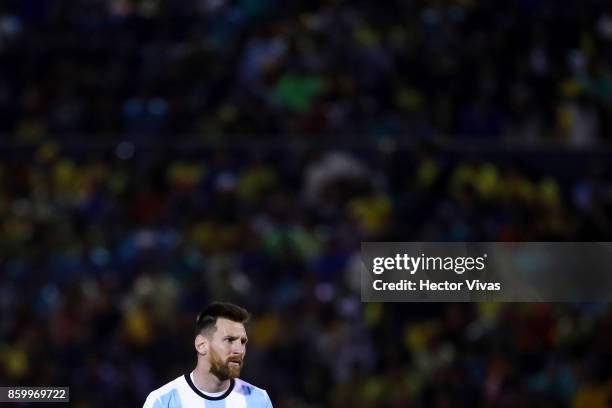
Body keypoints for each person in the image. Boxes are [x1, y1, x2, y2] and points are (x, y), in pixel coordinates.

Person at [143, 302, 273, 407]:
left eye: (243, 341)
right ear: (201, 345)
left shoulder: (259, 400)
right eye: (229, 340)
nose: (239, 350)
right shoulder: (163, 401)